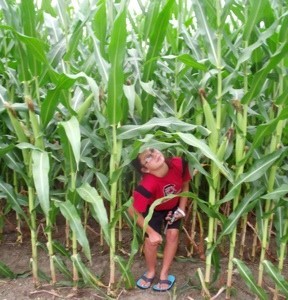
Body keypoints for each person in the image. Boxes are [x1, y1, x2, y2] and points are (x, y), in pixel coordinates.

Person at [128, 148, 191, 292]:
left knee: (173, 234)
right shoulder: (147, 186)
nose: (154, 155)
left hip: (173, 205)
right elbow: (132, 210)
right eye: (148, 158)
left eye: (152, 150)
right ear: (145, 169)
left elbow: (185, 184)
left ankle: (164, 273)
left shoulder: (179, 164)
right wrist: (151, 232)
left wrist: (181, 208)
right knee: (151, 241)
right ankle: (151, 271)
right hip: (153, 209)